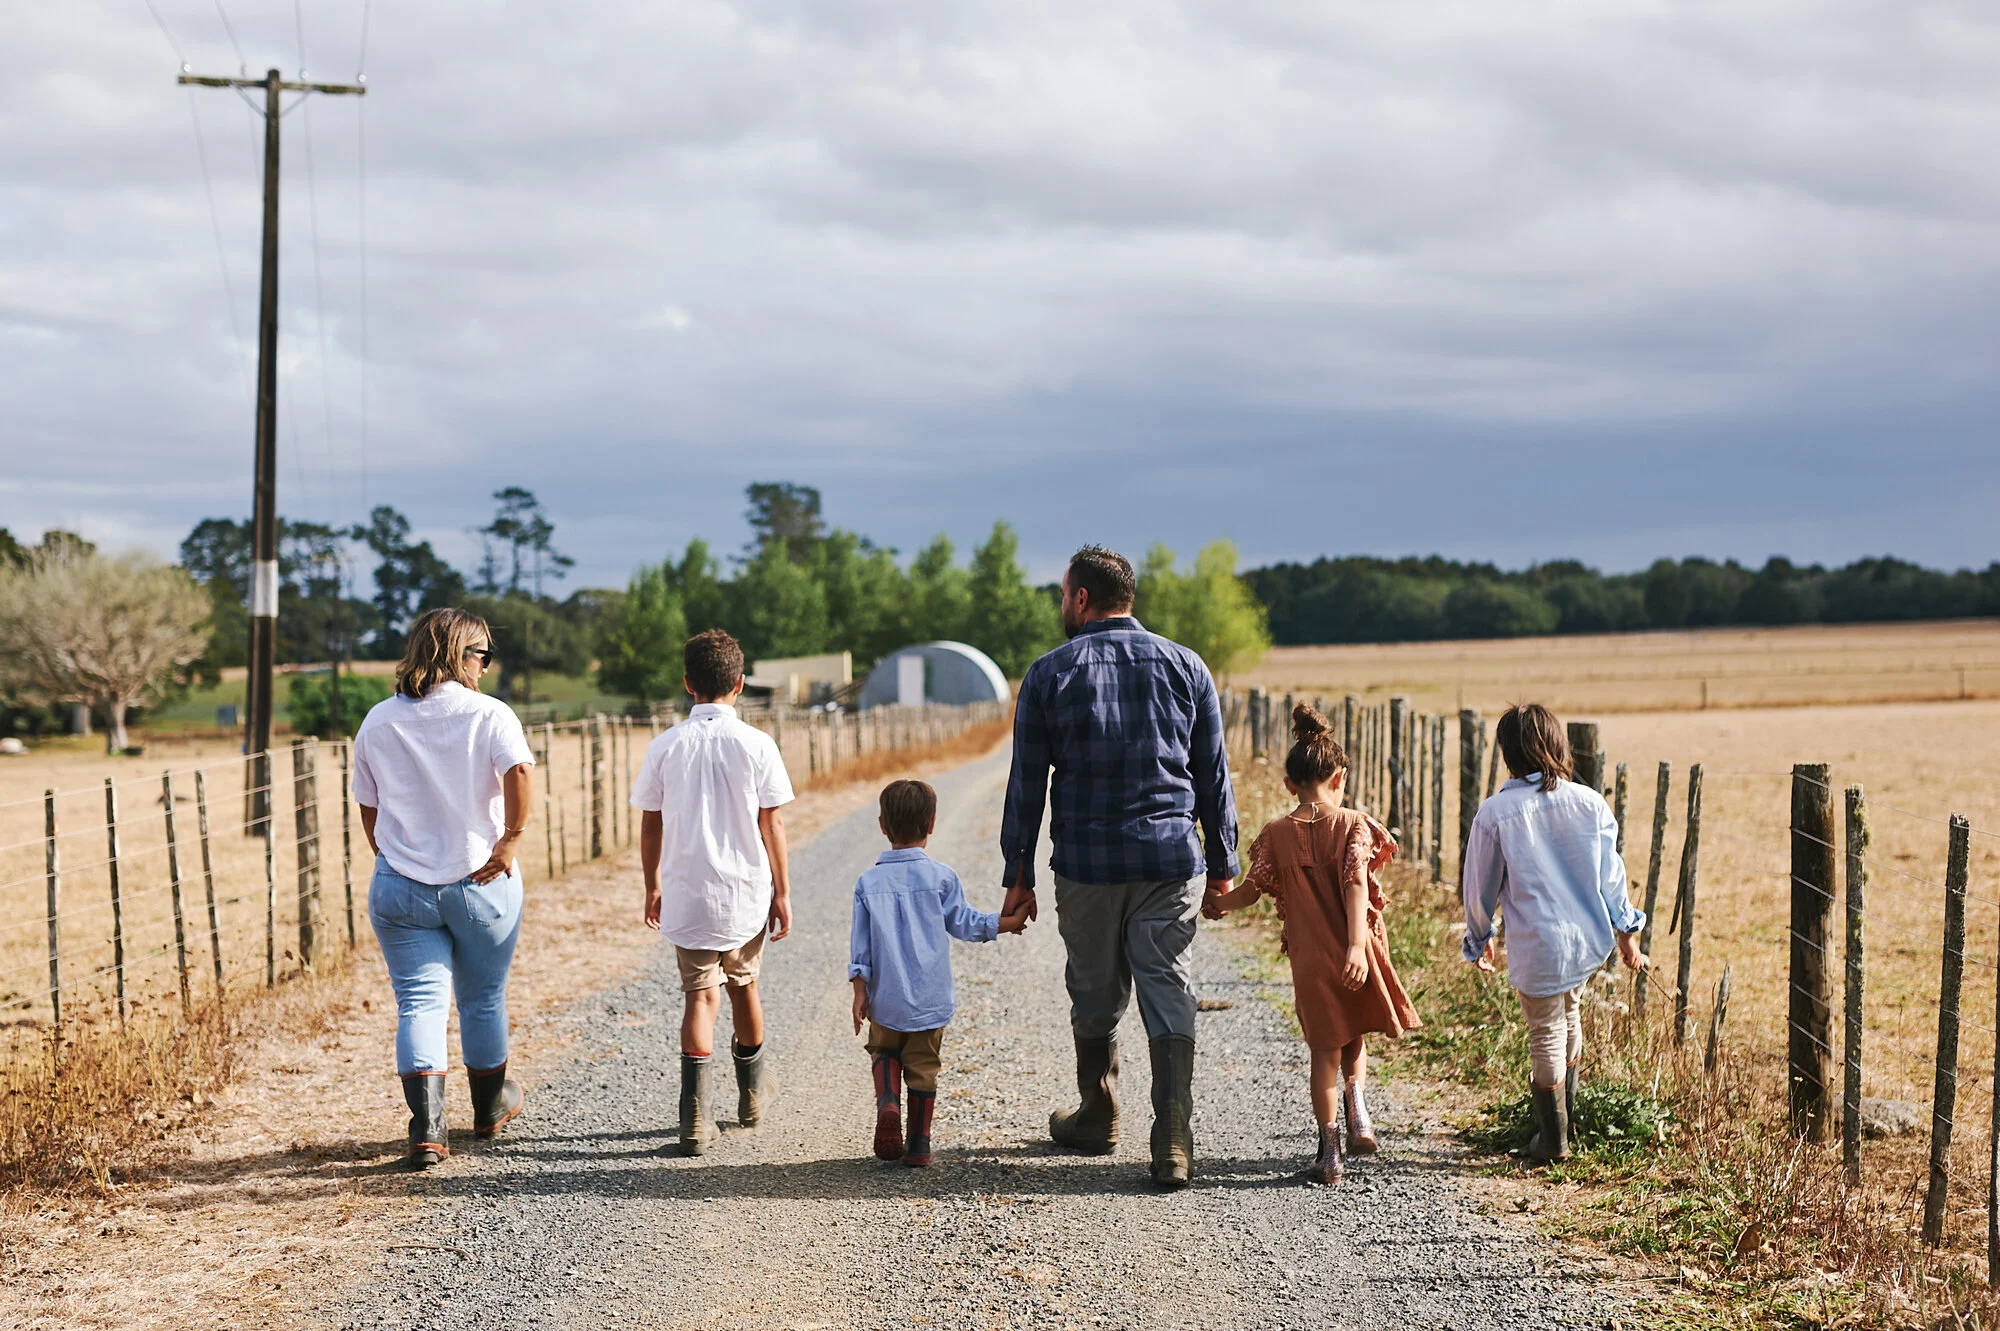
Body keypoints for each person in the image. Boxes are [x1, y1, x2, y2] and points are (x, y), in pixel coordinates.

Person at [999, 545, 1241, 1190]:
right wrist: (1223, 866)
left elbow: (1026, 786)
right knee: (1167, 983)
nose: (1061, 605)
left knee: (1095, 988)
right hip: (1169, 859)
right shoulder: (1188, 666)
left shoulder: (1048, 674)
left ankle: (1098, 1114)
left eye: (1062, 595)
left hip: (1087, 862)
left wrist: (1016, 875)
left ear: (1081, 598)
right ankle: (1173, 1139)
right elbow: (1213, 776)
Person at [352, 607, 537, 1170]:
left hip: (401, 886)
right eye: (480, 653)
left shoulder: (378, 720)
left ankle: (427, 1129)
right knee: (481, 997)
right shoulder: (489, 714)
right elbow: (521, 773)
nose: (486, 664)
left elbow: (368, 801)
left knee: (419, 1002)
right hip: (479, 880)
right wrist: (510, 841)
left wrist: (388, 853)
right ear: (457, 654)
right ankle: (487, 1110)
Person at [1205, 703, 1420, 1185]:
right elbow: (1356, 886)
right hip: (1355, 947)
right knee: (1354, 1034)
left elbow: (1251, 890)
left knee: (1323, 1049)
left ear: (1288, 784)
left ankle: (1330, 1153)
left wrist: (1218, 905)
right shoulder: (1354, 825)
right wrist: (1355, 947)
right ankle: (1359, 1111)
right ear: (1339, 777)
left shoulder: (1276, 835)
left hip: (1309, 960)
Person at [631, 629, 795, 1156]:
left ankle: (695, 1119)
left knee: (699, 997)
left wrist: (651, 883)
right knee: (744, 986)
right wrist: (783, 892)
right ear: (741, 683)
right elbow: (771, 824)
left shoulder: (665, 746)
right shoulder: (757, 744)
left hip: (686, 891)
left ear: (687, 684)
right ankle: (751, 1097)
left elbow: (650, 824)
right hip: (745, 890)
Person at [1461, 702, 1647, 1164]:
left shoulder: (1496, 813)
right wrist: (1627, 931)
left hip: (1538, 943)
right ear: (1557, 744)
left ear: (1509, 753)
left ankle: (1552, 1138)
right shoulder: (1589, 802)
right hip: (1586, 939)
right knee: (1571, 1014)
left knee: (1545, 1029)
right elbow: (1612, 875)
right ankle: (1569, 1120)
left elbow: (1479, 884)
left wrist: (1478, 935)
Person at [849, 780, 1028, 1167]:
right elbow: (964, 923)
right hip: (930, 998)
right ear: (931, 824)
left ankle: (887, 1104)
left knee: (883, 1049)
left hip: (886, 997)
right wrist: (1005, 923)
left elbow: (860, 948)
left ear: (882, 825)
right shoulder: (942, 878)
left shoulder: (868, 883)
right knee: (924, 1066)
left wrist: (860, 991)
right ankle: (919, 1146)